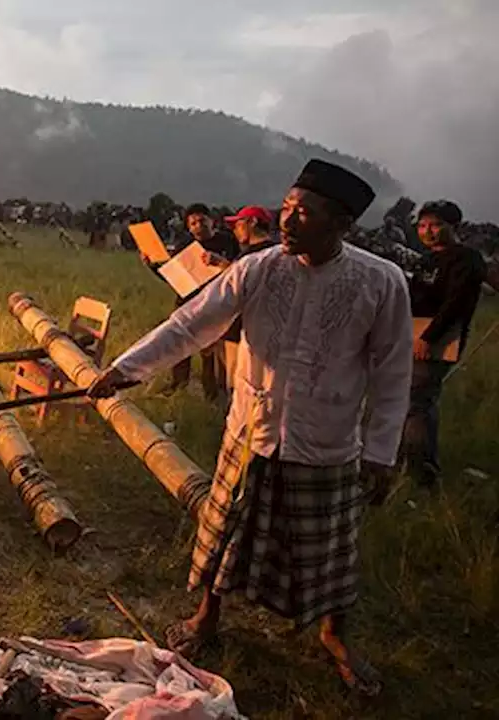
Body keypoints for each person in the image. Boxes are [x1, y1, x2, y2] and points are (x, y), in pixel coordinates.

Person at [88, 159, 412, 696]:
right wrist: (126, 369)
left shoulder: (380, 282)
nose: (287, 220)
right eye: (286, 207)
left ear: (342, 225)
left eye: (303, 213)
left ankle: (335, 634)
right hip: (253, 431)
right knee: (223, 535)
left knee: (327, 550)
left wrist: (381, 451)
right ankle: (206, 615)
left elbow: (394, 373)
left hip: (326, 441)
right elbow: (191, 323)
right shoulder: (259, 268)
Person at [403, 200, 487, 486]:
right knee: (418, 401)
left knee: (416, 401)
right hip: (413, 335)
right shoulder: (427, 260)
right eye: (423, 225)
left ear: (455, 227)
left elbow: (457, 302)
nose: (428, 231)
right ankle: (415, 460)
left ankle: (421, 471)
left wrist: (430, 337)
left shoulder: (466, 258)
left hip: (438, 340)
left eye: (437, 225)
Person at [145, 204, 240, 401]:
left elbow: (238, 270)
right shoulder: (185, 245)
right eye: (193, 223)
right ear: (188, 227)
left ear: (211, 221)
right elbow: (173, 276)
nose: (198, 226)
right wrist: (152, 267)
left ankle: (212, 395)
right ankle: (178, 387)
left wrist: (220, 262)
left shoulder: (227, 241)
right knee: (180, 347)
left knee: (211, 354)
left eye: (202, 221)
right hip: (187, 302)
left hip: (215, 304)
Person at [212, 206, 279, 385]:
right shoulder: (279, 253)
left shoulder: (251, 256)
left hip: (241, 332)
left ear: (252, 222)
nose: (234, 230)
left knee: (236, 384)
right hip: (268, 334)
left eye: (238, 224)